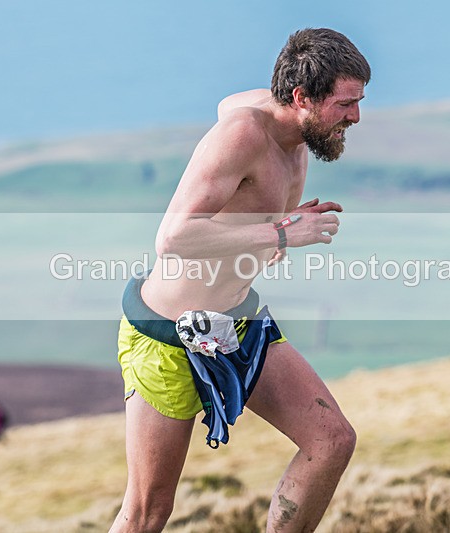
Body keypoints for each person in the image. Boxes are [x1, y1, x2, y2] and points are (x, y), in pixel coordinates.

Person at [110, 28, 370, 532]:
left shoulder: (283, 123)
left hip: (237, 325)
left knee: (332, 440)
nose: (355, 117)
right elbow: (173, 237)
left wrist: (279, 222)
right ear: (301, 98)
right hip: (167, 336)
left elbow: (227, 100)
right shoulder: (244, 136)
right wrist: (279, 231)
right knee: (148, 512)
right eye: (345, 104)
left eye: (359, 102)